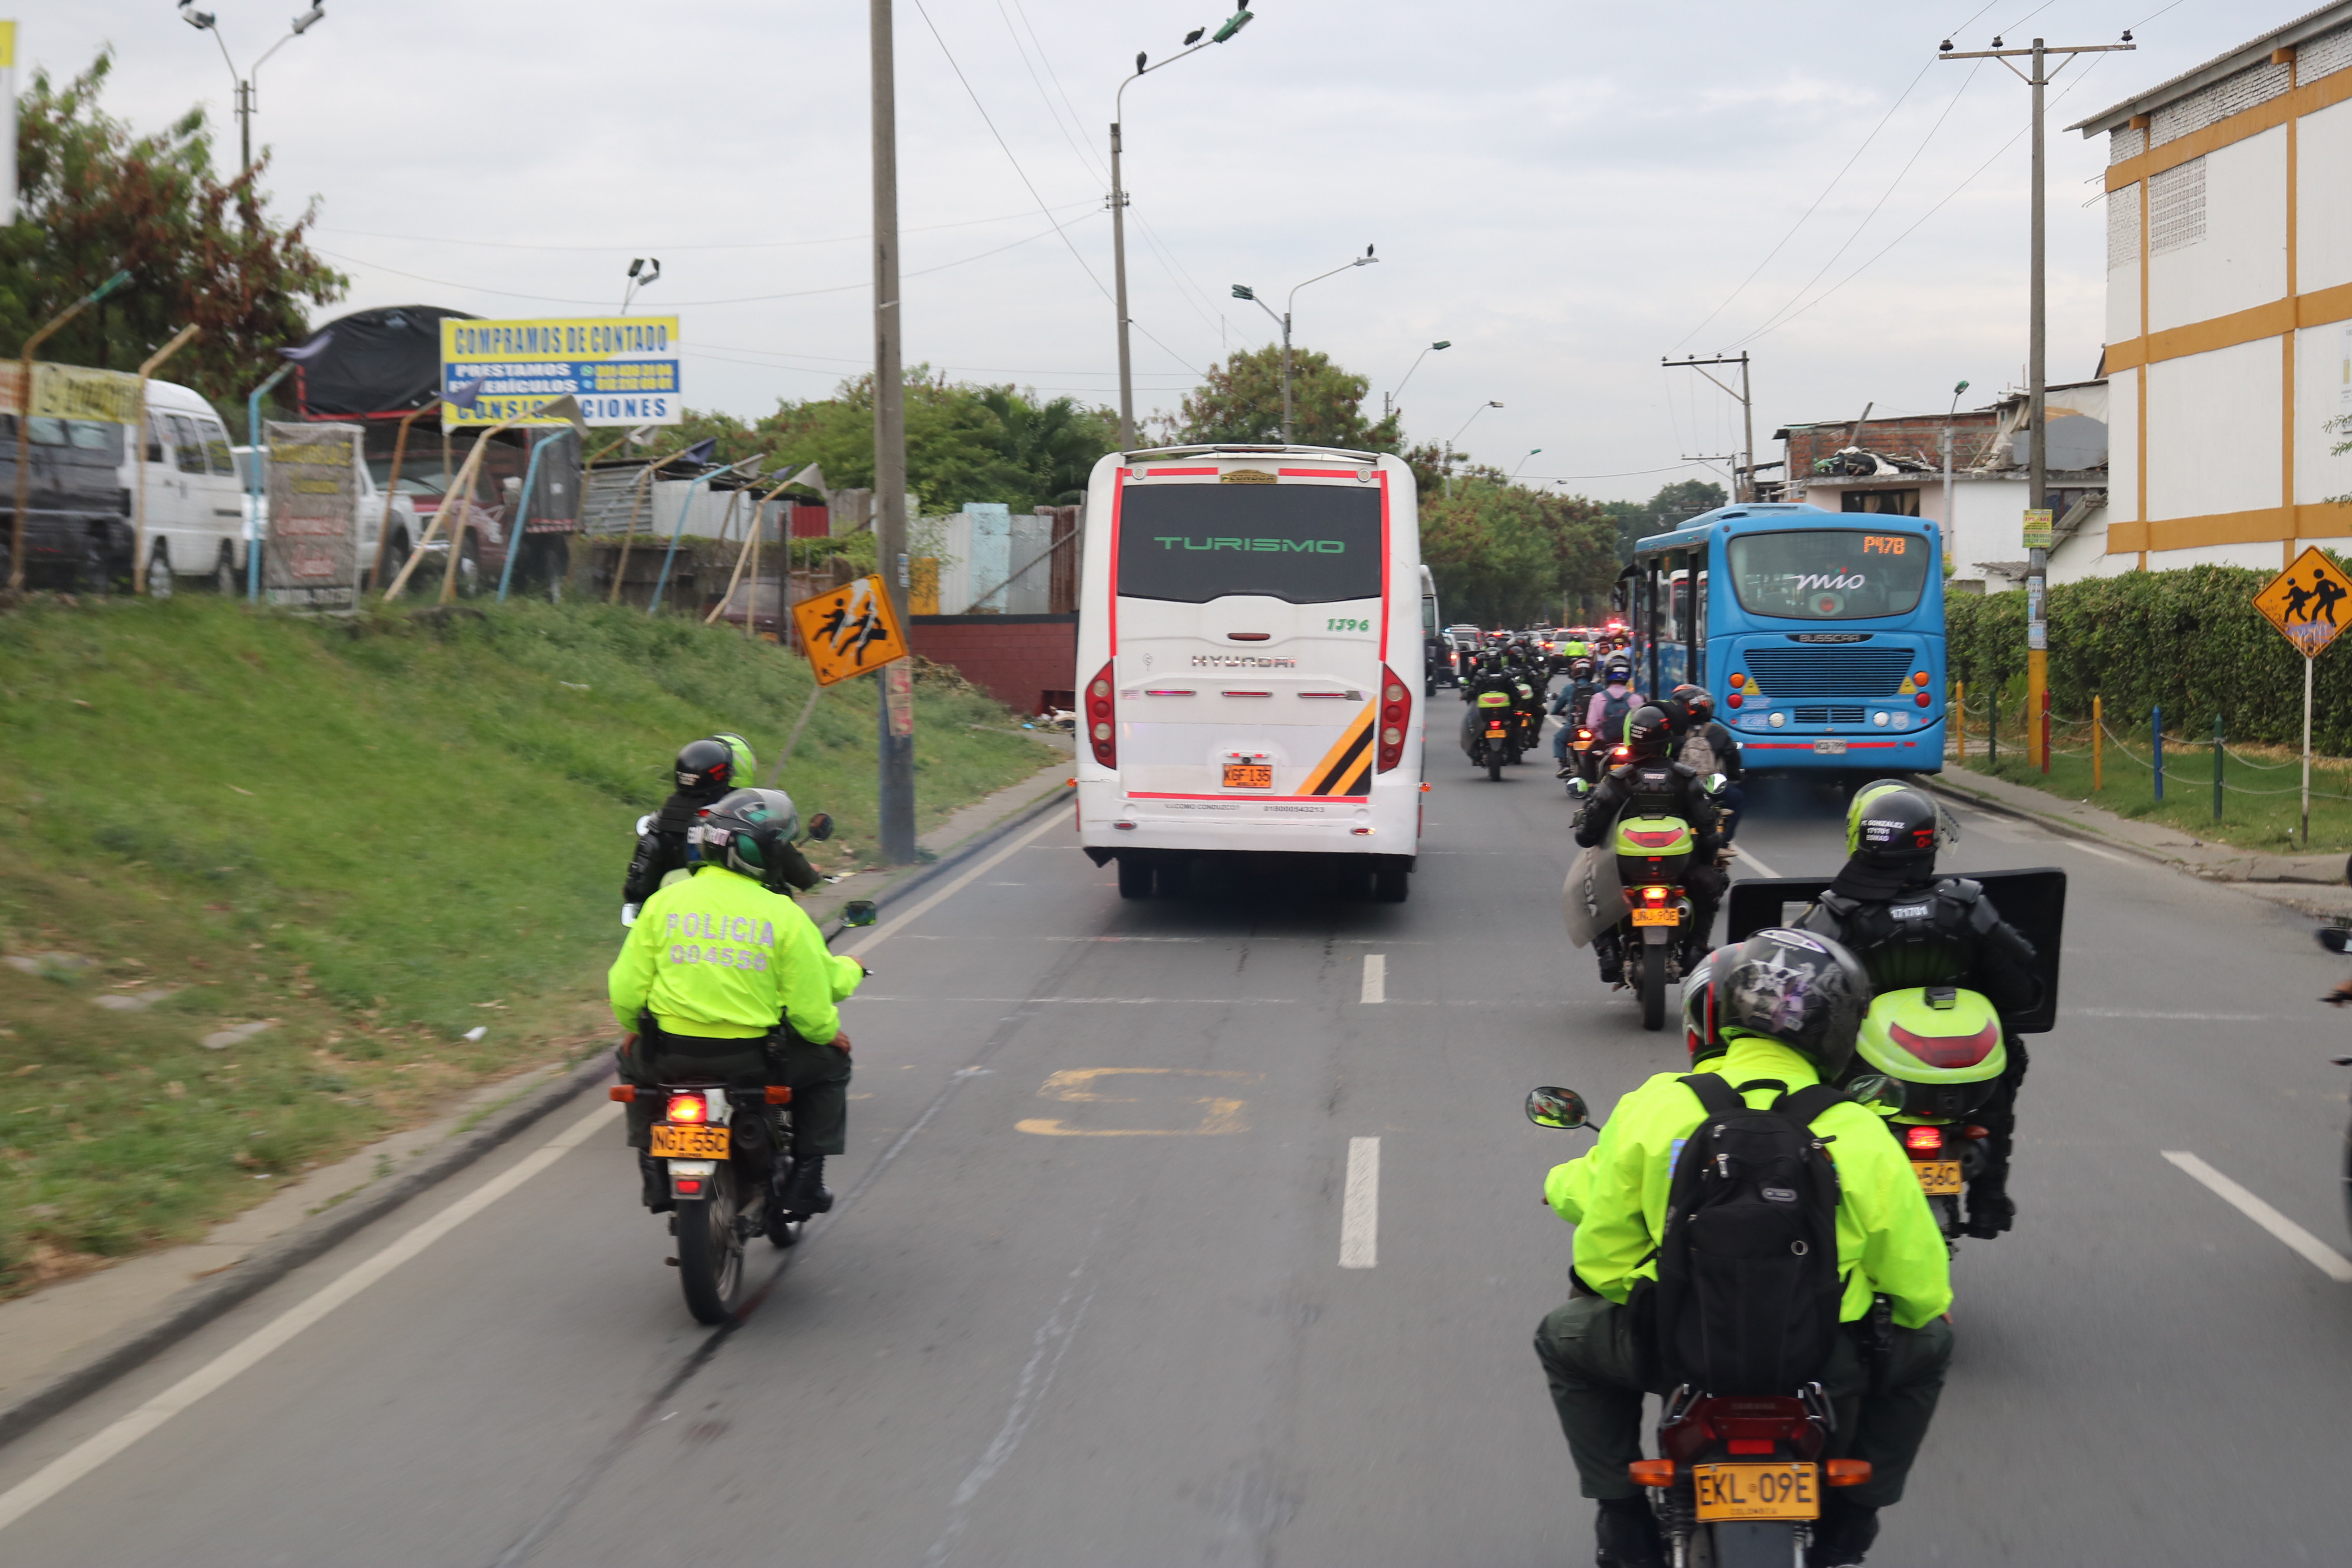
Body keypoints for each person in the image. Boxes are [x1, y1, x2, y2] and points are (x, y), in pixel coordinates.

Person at [1533, 929, 1954, 1568]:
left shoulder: (1657, 1106)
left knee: (1564, 1338)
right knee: (1930, 1346)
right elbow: (1921, 1286)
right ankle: (1855, 1518)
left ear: (1722, 1011)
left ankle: (1620, 1515)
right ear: (1839, 1030)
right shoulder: (1858, 1128)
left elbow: (1602, 1263)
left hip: (1676, 1354)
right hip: (1821, 1359)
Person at [1794, 784, 2039, 1239]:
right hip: (1960, 1083)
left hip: (1869, 1076)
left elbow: (1794, 992)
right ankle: (1988, 1200)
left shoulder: (1837, 914)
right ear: (1927, 846)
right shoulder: (1965, 905)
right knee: (2008, 1064)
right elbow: (2020, 989)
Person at [609, 788, 865, 1216]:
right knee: (833, 1067)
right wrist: (831, 1025)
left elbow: (625, 990)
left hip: (668, 1057)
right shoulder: (783, 915)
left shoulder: (663, 904)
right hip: (753, 1062)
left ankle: (653, 1168)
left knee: (629, 1062)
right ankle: (806, 1180)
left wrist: (634, 1028)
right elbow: (809, 1007)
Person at [1574, 704, 1726, 979]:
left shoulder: (1617, 780)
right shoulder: (1685, 778)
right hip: (1677, 865)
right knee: (1710, 886)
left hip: (1625, 867)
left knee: (1594, 891)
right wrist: (1706, 860)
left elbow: (1587, 834)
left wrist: (1586, 833)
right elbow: (1709, 829)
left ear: (1633, 738)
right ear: (1667, 740)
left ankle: (1607, 950)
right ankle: (1696, 947)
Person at [622, 732, 818, 925]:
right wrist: (811, 878)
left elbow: (636, 895)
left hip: (668, 926)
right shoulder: (734, 820)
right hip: (740, 924)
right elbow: (783, 858)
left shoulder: (658, 825)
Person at [1662, 684, 1745, 842]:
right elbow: (1732, 759)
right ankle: (1724, 843)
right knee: (1737, 798)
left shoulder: (1672, 732)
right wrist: (1734, 779)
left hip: (1679, 787)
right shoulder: (1718, 732)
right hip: (1711, 786)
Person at [1584, 659, 1642, 743]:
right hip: (1630, 745)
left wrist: (1601, 736)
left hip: (1605, 744)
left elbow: (1592, 725)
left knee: (1588, 754)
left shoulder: (1598, 698)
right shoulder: (1636, 699)